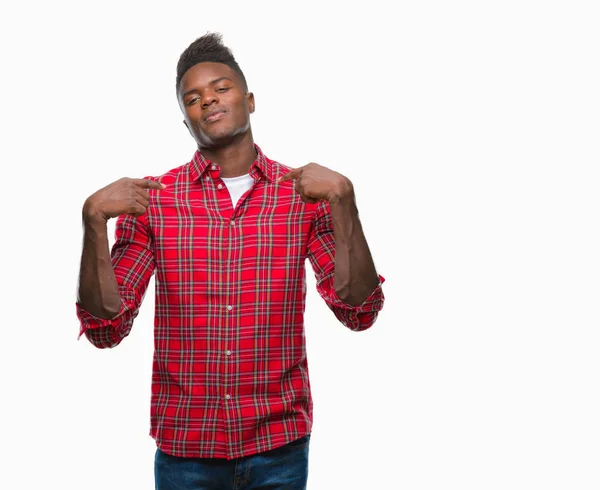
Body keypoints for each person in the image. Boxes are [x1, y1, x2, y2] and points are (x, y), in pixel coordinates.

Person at [76, 32, 385, 490]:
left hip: (279, 447)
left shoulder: (303, 195)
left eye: (221, 88)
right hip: (187, 452)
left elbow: (358, 312)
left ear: (250, 100)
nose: (209, 101)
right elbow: (106, 327)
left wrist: (346, 204)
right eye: (193, 98)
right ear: (186, 122)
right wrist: (92, 221)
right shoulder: (153, 202)